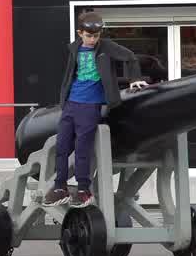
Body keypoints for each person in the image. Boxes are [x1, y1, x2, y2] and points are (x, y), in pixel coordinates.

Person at [43, 11, 146, 208]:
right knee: (62, 146)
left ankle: (83, 190)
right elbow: (70, 75)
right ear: (79, 33)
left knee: (83, 149)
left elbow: (130, 57)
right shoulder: (74, 49)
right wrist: (64, 100)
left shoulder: (106, 47)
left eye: (96, 35)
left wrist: (134, 79)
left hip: (91, 106)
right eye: (88, 35)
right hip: (71, 104)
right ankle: (60, 187)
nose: (92, 39)